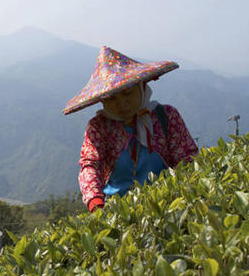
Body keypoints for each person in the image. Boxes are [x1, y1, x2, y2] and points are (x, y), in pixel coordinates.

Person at [63, 46, 198, 212]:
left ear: (141, 86)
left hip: (167, 205)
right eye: (112, 98)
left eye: (128, 93)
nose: (121, 103)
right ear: (102, 101)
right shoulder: (99, 127)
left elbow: (186, 158)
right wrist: (96, 203)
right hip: (118, 211)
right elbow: (90, 165)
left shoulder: (166, 116)